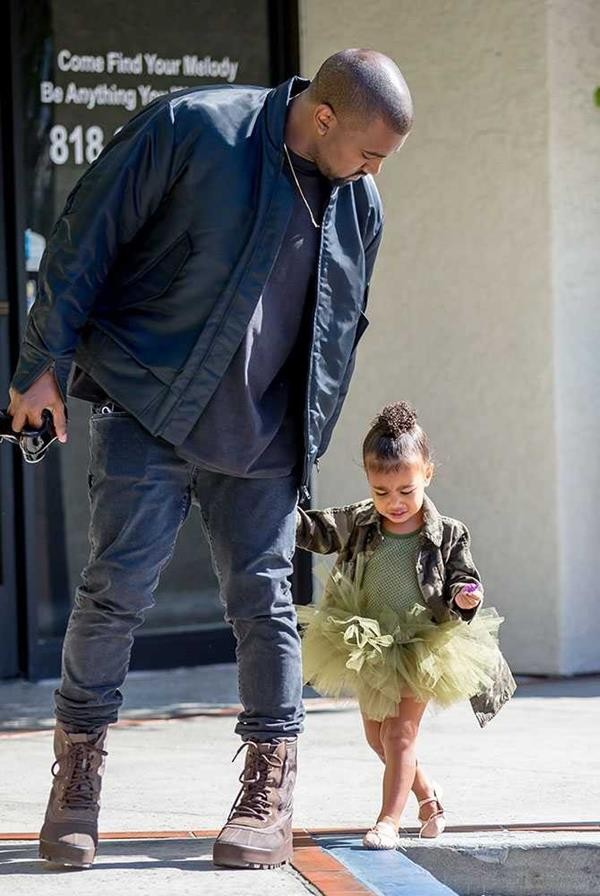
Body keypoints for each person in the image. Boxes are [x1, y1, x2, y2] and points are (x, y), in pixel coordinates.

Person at [7, 50, 413, 869]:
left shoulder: (359, 203)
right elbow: (87, 235)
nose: (375, 172)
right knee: (114, 593)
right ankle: (77, 779)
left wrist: (307, 437)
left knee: (266, 606)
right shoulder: (194, 128)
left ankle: (268, 790)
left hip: (265, 437)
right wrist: (40, 362)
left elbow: (338, 329)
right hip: (147, 402)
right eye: (370, 152)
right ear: (324, 116)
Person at [296, 401, 516, 850]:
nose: (393, 502)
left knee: (399, 735)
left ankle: (388, 822)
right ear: (368, 481)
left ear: (427, 474)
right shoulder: (360, 520)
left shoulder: (448, 532)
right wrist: (271, 507)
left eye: (405, 490)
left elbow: (463, 577)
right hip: (368, 641)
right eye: (381, 491)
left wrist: (466, 596)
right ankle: (429, 797)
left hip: (422, 644)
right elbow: (317, 531)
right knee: (377, 737)